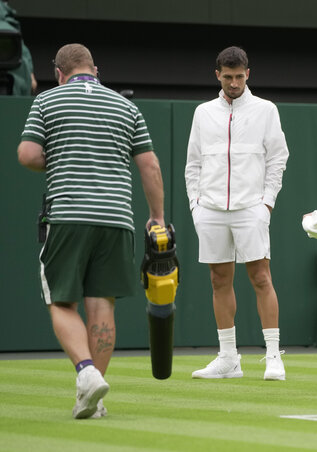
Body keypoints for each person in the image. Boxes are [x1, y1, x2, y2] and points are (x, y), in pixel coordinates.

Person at [17, 43, 166, 418]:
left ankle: (86, 374)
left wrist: (63, 152)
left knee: (61, 302)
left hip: (68, 217)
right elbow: (149, 166)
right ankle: (92, 397)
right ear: (95, 70)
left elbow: (28, 154)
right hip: (117, 221)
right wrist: (157, 217)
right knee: (102, 305)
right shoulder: (126, 106)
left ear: (60, 73)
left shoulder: (48, 100)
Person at [185, 46, 289, 381]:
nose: (233, 83)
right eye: (228, 77)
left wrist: (266, 203)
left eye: (239, 76)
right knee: (219, 280)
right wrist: (195, 205)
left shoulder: (266, 110)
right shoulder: (203, 113)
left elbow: (278, 158)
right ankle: (229, 358)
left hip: (251, 208)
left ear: (248, 74)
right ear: (217, 75)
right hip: (211, 209)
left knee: (261, 277)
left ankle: (273, 356)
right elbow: (193, 164)